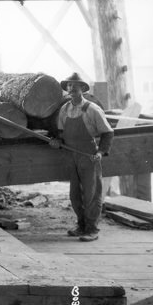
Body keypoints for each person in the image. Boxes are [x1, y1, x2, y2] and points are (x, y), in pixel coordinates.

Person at [49, 72, 114, 241]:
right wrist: (56, 141)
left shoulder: (92, 109)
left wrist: (100, 152)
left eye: (76, 86)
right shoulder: (65, 109)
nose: (72, 88)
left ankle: (92, 229)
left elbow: (107, 133)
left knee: (91, 192)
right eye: (69, 85)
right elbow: (61, 133)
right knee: (75, 193)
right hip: (71, 155)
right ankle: (81, 225)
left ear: (83, 89)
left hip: (88, 155)